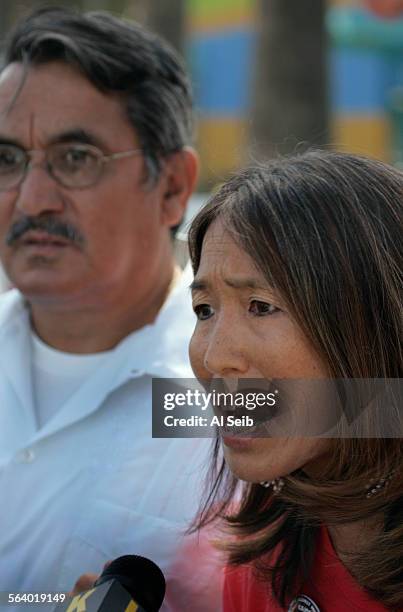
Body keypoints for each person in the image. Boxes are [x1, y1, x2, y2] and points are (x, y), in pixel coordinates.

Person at [0, 7, 222, 611]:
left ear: (174, 185)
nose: (33, 198)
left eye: (76, 159)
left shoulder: (250, 392)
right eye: (7, 160)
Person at [187, 150, 403, 611]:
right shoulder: (269, 547)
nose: (214, 356)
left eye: (261, 306)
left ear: (376, 323)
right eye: (204, 310)